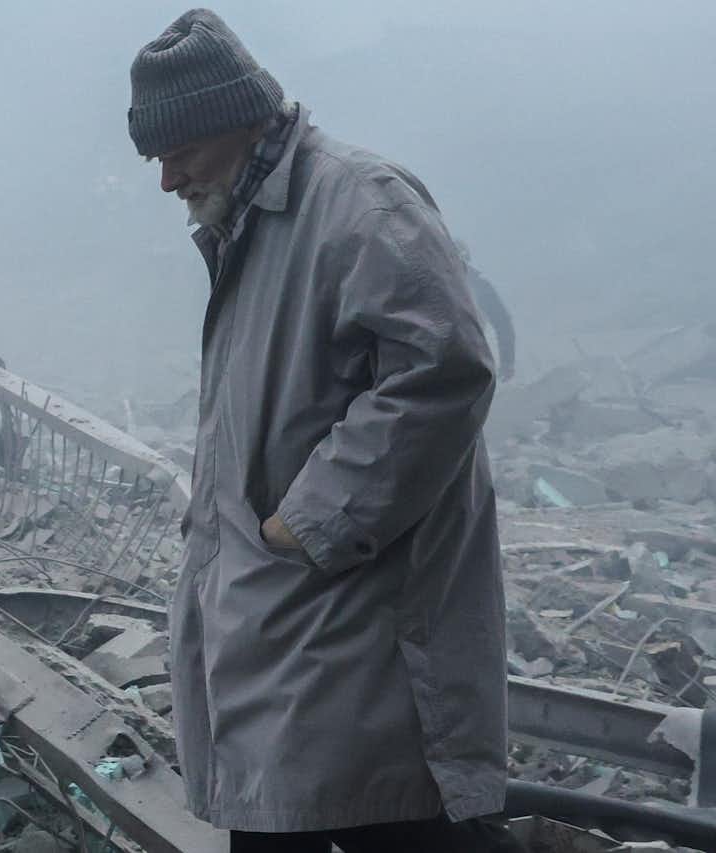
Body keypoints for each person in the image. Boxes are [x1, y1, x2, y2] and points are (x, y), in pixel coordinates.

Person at [128, 10, 521, 853]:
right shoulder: (250, 223)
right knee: (293, 809)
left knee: (381, 809)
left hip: (347, 600)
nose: (166, 180)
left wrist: (311, 519)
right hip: (281, 606)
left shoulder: (359, 202)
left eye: (178, 152)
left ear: (236, 121)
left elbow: (444, 370)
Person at [458, 244, 519, 381]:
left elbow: (502, 323)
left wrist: (507, 362)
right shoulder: (478, 285)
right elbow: (503, 323)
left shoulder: (479, 286)